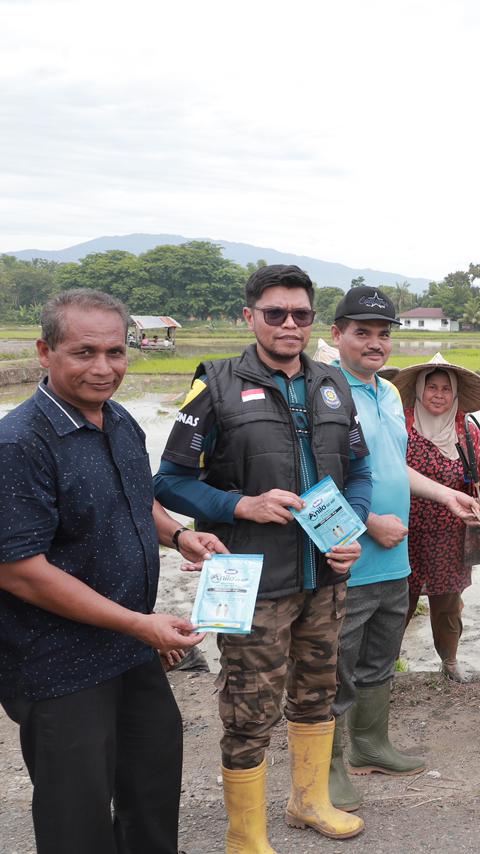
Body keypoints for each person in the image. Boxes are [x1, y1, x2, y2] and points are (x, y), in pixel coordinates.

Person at [154, 264, 372, 848]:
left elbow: (360, 471)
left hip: (324, 576)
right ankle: (244, 834)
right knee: (249, 708)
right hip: (247, 576)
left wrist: (349, 530)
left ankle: (308, 801)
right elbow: (169, 481)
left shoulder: (334, 384)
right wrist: (240, 505)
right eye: (275, 313)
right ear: (248, 316)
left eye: (300, 314)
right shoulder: (215, 385)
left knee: (318, 691)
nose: (289, 324)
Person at [0, 289, 225, 853]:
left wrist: (180, 534)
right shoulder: (19, 444)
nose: (104, 368)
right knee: (76, 820)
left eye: (116, 351)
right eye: (84, 353)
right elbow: (20, 571)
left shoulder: (120, 420)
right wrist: (137, 624)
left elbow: (135, 496)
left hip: (128, 648)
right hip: (58, 663)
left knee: (152, 787)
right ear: (45, 352)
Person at [323, 288, 480, 810]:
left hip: (396, 557)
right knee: (334, 664)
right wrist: (368, 524)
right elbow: (311, 479)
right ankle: (328, 766)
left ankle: (371, 744)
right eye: (362, 332)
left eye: (383, 333)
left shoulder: (389, 396)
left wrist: (447, 494)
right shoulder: (323, 391)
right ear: (337, 335)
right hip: (347, 557)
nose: (375, 343)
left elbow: (394, 469)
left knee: (378, 659)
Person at [393, 352, 480, 683]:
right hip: (401, 529)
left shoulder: (465, 430)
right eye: (431, 387)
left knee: (447, 602)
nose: (438, 395)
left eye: (445, 389)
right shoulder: (400, 423)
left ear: (455, 395)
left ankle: (449, 661)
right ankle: (386, 666)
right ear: (419, 390)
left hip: (450, 532)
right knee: (397, 601)